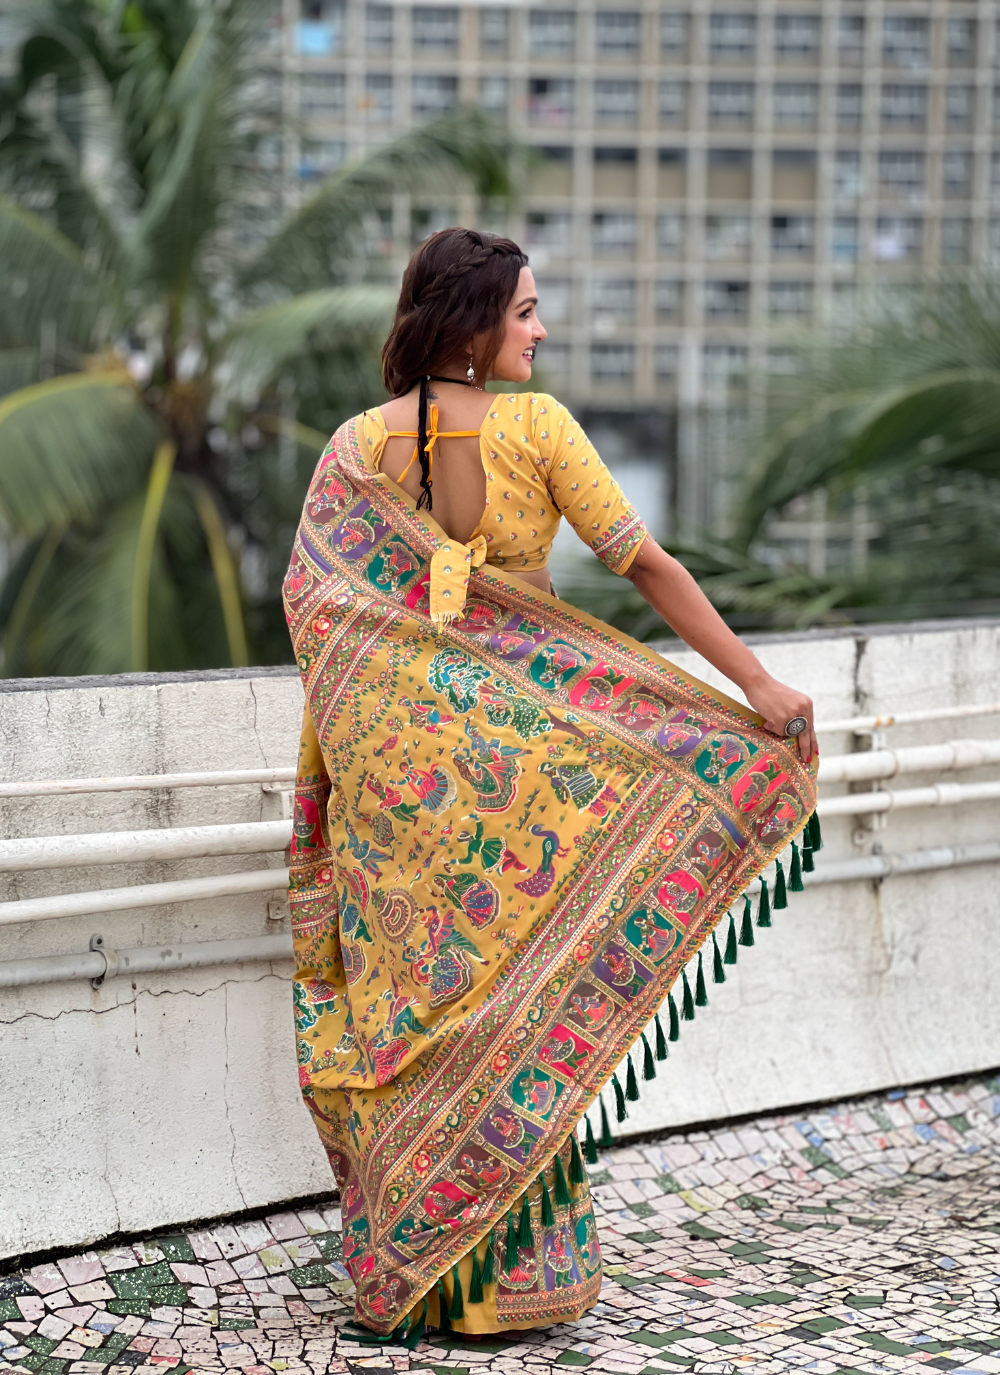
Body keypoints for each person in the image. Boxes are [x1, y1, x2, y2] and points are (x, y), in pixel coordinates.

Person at [283, 228, 817, 1344]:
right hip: (525, 780)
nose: (540, 328)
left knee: (414, 1005)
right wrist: (754, 681)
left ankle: (417, 1273)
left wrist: (397, 720)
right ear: (474, 323)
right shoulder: (534, 426)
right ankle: (505, 1281)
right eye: (524, 311)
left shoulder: (352, 448)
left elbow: (319, 608)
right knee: (523, 998)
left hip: (395, 783)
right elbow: (648, 567)